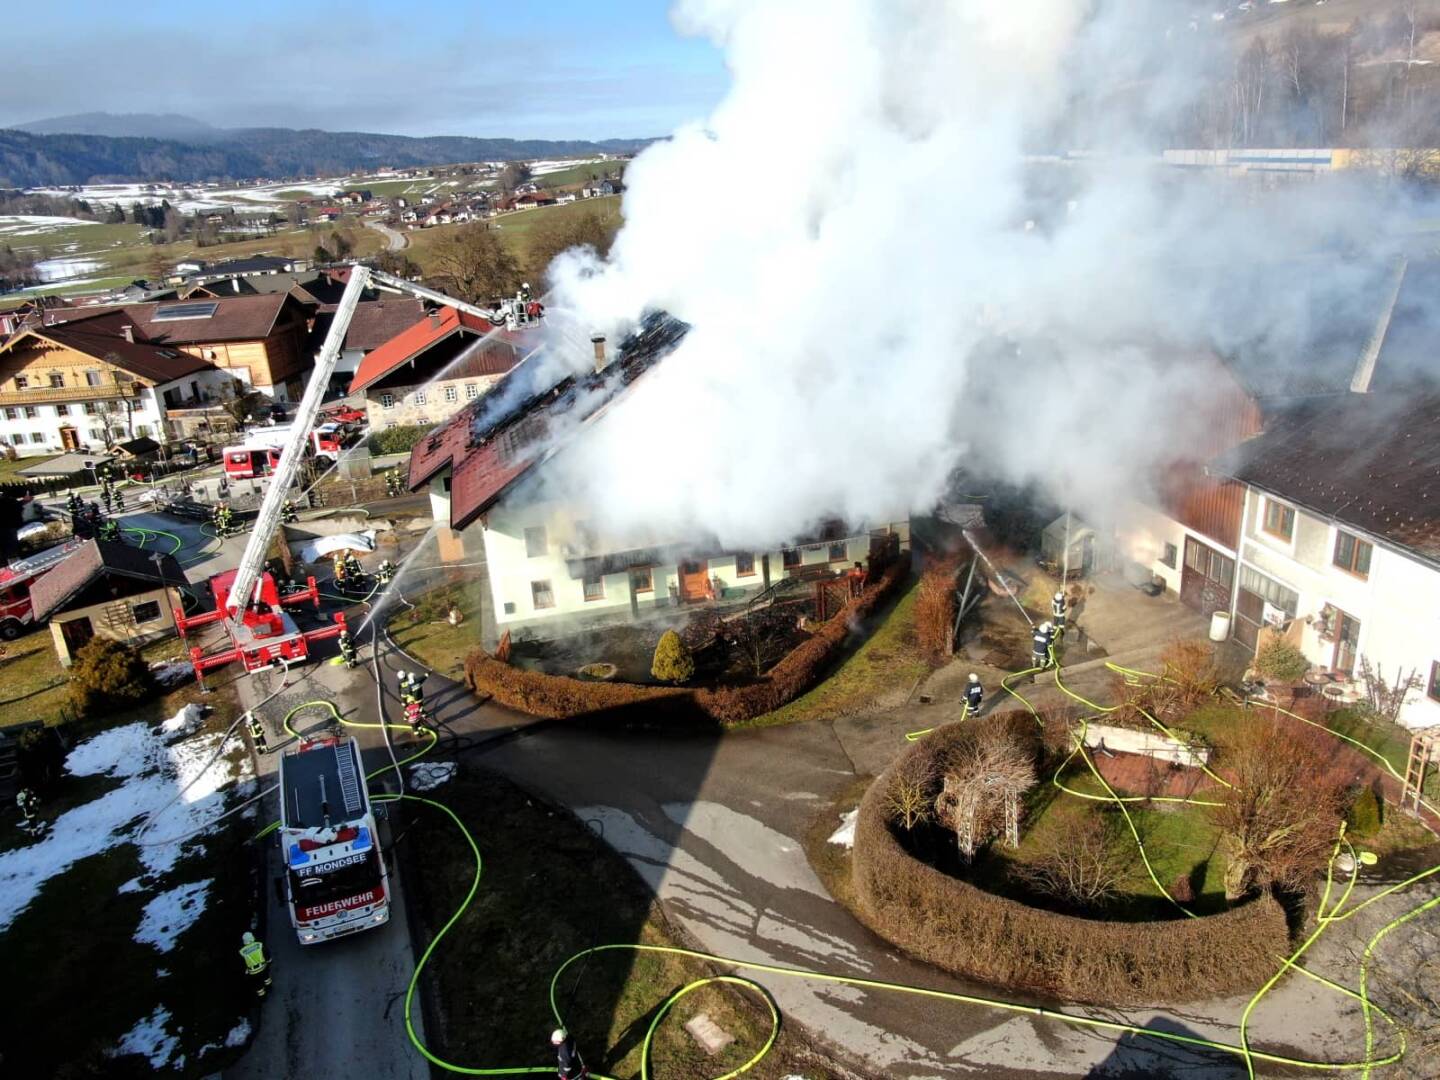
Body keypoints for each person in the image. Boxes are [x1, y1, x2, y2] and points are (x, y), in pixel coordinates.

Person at [239, 932, 272, 998]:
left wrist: (246, 971)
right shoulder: (259, 945)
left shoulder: (242, 951)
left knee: (258, 985)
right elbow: (266, 953)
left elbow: (242, 963)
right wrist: (269, 961)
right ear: (252, 937)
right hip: (263, 967)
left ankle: (263, 997)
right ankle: (269, 988)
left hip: (253, 972)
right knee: (266, 978)